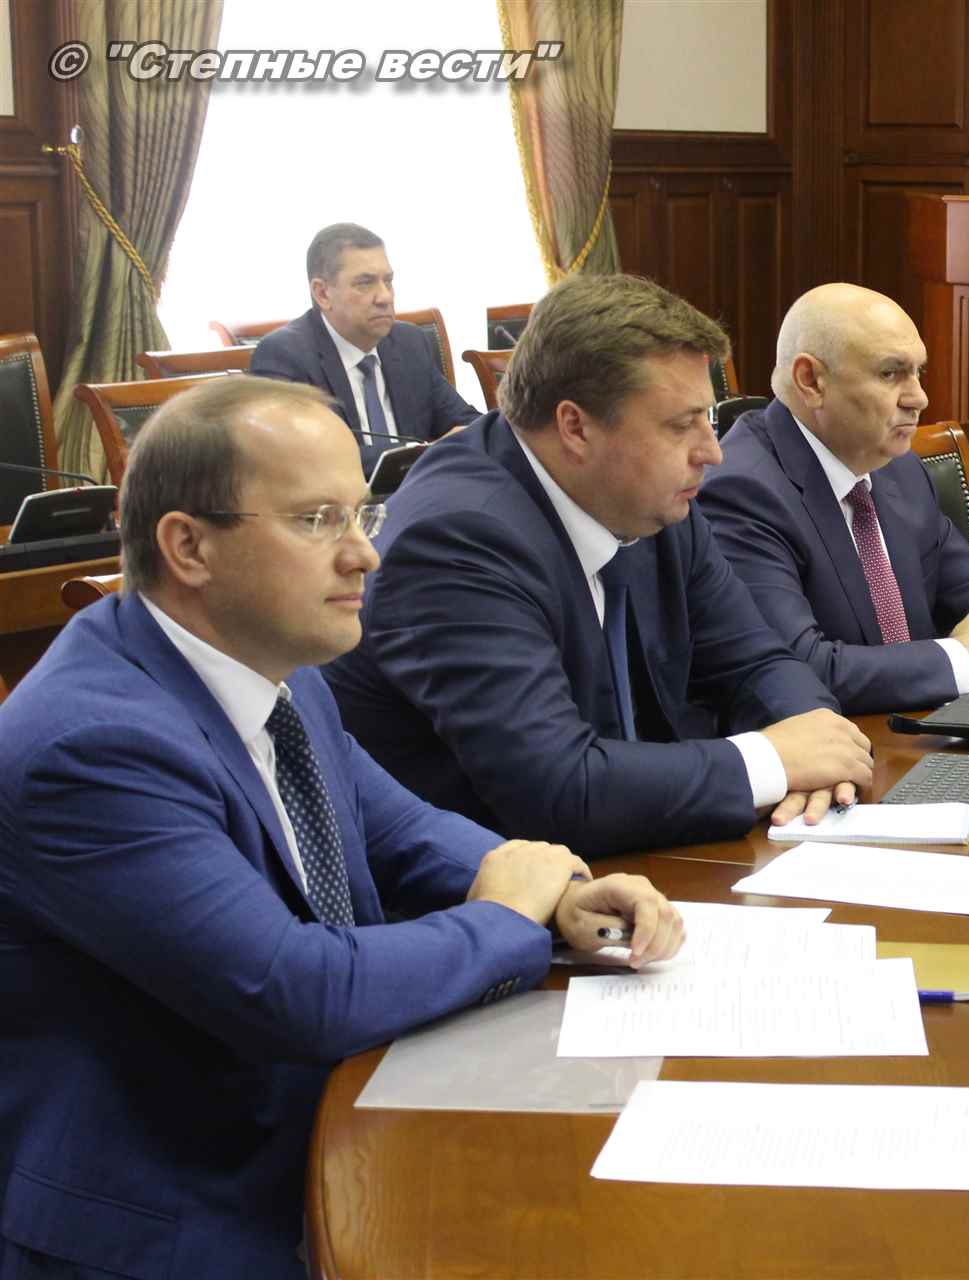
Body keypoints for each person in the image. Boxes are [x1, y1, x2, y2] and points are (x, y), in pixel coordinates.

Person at [0, 376, 682, 1278]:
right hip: (181, 1215)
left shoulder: (278, 670)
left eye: (362, 514)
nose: (365, 554)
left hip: (329, 1125)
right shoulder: (91, 746)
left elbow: (400, 832)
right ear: (188, 547)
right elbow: (297, 991)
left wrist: (560, 892)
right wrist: (507, 917)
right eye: (318, 520)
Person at [321, 273, 873, 859]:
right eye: (680, 424)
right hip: (487, 888)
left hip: (642, 859)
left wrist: (819, 743)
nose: (712, 452)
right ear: (575, 426)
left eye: (707, 420)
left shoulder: (648, 499)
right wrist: (773, 761)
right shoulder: (457, 540)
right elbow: (558, 789)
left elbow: (756, 660)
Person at [702, 284, 969, 714]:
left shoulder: (897, 467)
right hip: (837, 744)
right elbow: (796, 670)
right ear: (810, 381)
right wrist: (967, 658)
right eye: (891, 373)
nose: (919, 398)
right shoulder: (743, 492)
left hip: (924, 724)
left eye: (918, 372)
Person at [252, 222, 480, 472]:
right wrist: (431, 453)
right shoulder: (285, 356)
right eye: (365, 283)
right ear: (322, 293)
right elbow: (310, 460)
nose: (385, 297)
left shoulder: (409, 342)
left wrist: (449, 445)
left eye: (388, 281)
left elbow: (469, 424)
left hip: (424, 490)